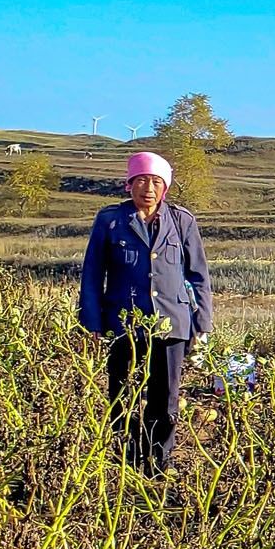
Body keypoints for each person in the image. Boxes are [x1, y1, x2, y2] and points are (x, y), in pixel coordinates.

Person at [78, 151, 213, 474]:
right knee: (122, 395)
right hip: (124, 324)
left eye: (155, 182)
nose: (148, 189)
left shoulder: (182, 221)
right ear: (129, 185)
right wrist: (92, 323)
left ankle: (157, 464)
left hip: (172, 325)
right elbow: (93, 274)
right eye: (141, 181)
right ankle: (126, 460)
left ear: (164, 187)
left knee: (165, 399)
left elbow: (198, 275)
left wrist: (202, 322)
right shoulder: (110, 221)